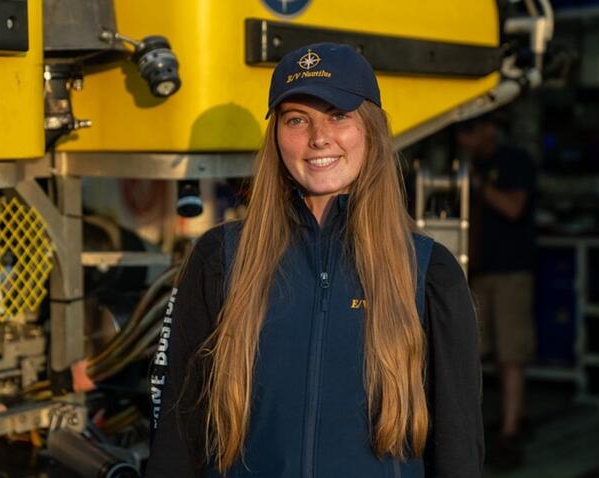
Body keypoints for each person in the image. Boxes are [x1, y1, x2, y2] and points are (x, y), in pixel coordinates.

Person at [146, 43, 483, 478]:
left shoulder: (428, 271)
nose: (318, 137)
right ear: (277, 138)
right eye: (297, 119)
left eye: (338, 115)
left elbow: (458, 447)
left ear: (371, 130)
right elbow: (177, 427)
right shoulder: (221, 258)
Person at [457, 114, 536, 468]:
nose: (464, 139)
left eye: (469, 130)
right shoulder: (472, 165)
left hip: (511, 272)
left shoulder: (514, 161)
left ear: (490, 128)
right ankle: (485, 429)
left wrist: (476, 185)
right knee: (474, 352)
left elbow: (514, 207)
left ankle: (511, 430)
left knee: (511, 354)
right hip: (478, 272)